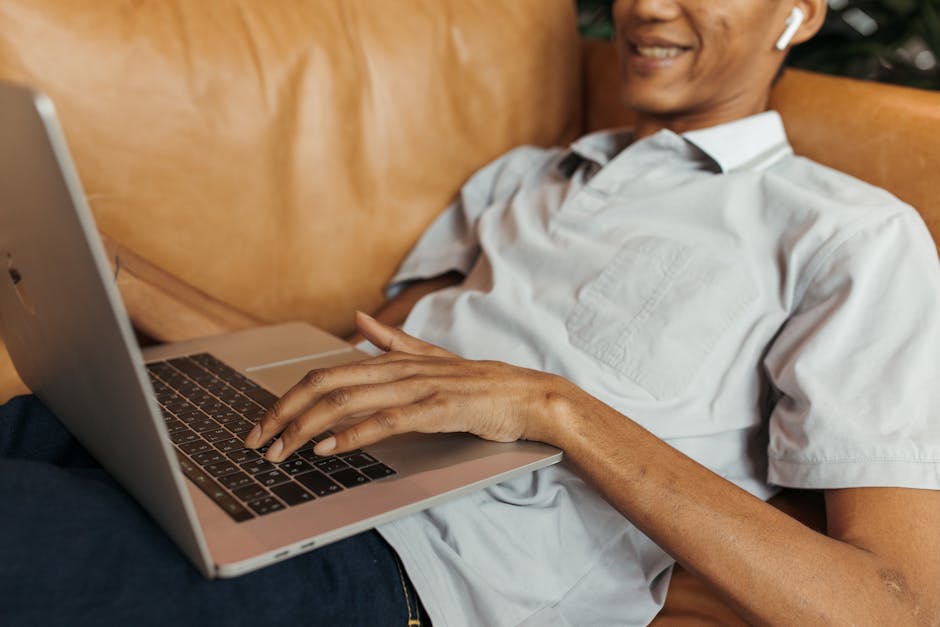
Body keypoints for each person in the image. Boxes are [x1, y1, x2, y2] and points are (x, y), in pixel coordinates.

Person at [2, 0, 938, 625]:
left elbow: (894, 604)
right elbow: (340, 365)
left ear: (801, 12)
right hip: (279, 461)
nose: (649, 4)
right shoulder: (525, 175)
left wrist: (551, 408)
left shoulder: (852, 236)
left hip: (408, 570)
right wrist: (114, 272)